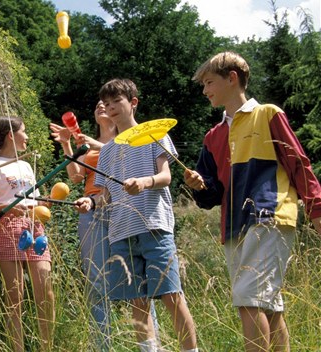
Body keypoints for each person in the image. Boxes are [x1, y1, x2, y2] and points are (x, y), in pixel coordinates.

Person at [185, 51, 321, 352]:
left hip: (269, 214)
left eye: (209, 83)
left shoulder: (268, 114)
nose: (205, 91)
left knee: (248, 300)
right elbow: (210, 197)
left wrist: (316, 209)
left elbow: (299, 164)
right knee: (268, 305)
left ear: (232, 78)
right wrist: (198, 185)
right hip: (233, 226)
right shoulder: (213, 136)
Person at [79, 78, 198, 352]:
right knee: (138, 300)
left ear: (133, 102)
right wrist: (91, 202)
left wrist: (144, 182)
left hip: (153, 225)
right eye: (106, 104)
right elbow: (105, 194)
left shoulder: (155, 135)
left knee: (171, 295)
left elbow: (166, 176)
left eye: (116, 102)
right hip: (121, 232)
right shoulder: (106, 150)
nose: (110, 108)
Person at [0, 116, 55, 352]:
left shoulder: (26, 165)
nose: (28, 137)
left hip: (35, 227)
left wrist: (47, 203)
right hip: (7, 228)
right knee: (15, 296)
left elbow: (38, 201)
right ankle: (17, 348)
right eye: (25, 132)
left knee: (46, 289)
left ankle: (47, 347)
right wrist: (10, 208)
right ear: (11, 135)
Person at [50, 101, 116, 350]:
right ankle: (102, 345)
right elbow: (76, 176)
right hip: (91, 210)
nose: (100, 105)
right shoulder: (86, 144)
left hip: (123, 209)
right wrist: (68, 144)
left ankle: (146, 343)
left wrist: (95, 144)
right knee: (97, 281)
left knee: (136, 281)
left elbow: (126, 154)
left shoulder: (125, 138)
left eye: (106, 102)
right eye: (97, 103)